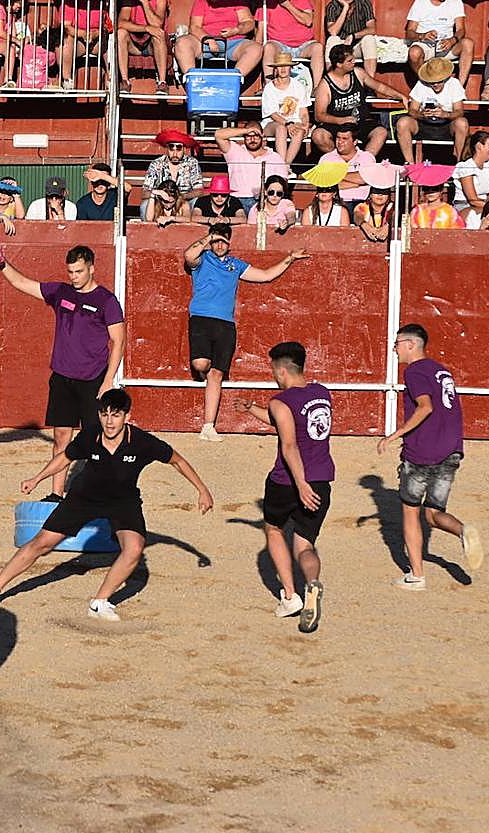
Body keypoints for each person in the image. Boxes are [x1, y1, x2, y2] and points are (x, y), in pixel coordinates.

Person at [0, 388, 214, 622]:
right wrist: (36, 478)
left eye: (116, 415)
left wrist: (202, 490)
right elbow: (65, 458)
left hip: (123, 501)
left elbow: (177, 461)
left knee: (134, 549)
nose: (109, 422)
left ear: (127, 416)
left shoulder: (142, 442)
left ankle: (99, 602)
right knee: (42, 543)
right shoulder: (90, 436)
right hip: (84, 498)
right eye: (104, 415)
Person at [0, 245, 125, 501]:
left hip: (93, 379)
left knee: (95, 439)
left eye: (79, 271)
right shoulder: (61, 292)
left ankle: (98, 492)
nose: (74, 277)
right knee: (61, 437)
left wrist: (108, 380)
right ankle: (57, 494)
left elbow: (119, 341)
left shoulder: (106, 301)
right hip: (62, 378)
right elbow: (20, 282)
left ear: (92, 268)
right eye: (71, 272)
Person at [233, 341, 331, 633]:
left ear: (282, 370)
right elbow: (284, 421)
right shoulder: (321, 394)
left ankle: (290, 596)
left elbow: (289, 445)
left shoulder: (281, 401)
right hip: (321, 480)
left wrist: (300, 484)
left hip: (287, 481)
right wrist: (252, 409)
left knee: (274, 529)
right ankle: (312, 583)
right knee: (305, 545)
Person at [376, 323, 483, 589]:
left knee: (411, 512)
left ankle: (416, 576)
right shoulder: (441, 370)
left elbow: (425, 407)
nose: (394, 349)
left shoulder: (414, 371)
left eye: (397, 344)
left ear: (411, 344)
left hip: (422, 451)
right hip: (451, 450)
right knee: (433, 514)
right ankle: (463, 530)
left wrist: (395, 435)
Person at [183, 223, 309, 441]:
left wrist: (290, 258)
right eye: (216, 241)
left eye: (223, 241)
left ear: (229, 243)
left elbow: (266, 275)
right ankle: (206, 379)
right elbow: (188, 255)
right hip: (201, 318)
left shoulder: (236, 264)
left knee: (217, 374)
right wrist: (209, 237)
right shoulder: (203, 260)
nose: (219, 245)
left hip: (226, 323)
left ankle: (208, 426)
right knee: (201, 364)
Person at [311, 44, 403, 156]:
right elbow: (319, 115)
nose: (354, 62)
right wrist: (341, 120)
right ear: (339, 64)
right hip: (337, 124)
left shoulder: (358, 73)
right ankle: (340, 160)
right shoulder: (325, 85)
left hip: (360, 122)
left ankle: (363, 161)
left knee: (381, 132)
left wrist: (400, 95)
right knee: (318, 136)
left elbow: (379, 87)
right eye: (350, 60)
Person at [395, 57, 469, 165]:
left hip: (447, 124)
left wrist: (445, 114)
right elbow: (412, 110)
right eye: (432, 82)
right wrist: (422, 115)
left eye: (439, 81)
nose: (435, 85)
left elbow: (459, 111)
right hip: (423, 124)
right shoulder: (421, 84)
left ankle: (459, 164)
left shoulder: (454, 83)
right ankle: (410, 164)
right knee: (403, 123)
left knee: (462, 123)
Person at [174, 0, 263, 81]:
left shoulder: (237, 2)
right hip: (204, 43)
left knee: (256, 48)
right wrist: (208, 39)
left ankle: (232, 80)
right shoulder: (201, 2)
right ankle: (192, 80)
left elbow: (248, 22)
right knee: (182, 43)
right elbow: (194, 27)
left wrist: (236, 30)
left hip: (234, 43)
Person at [215, 122, 290, 214]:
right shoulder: (235, 151)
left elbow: (283, 183)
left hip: (264, 201)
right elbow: (218, 135)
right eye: (248, 136)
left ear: (263, 136)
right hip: (237, 200)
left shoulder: (275, 157)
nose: (252, 139)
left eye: (256, 136)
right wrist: (247, 130)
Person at [405, 0, 474, 90]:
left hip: (446, 45)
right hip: (425, 45)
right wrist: (423, 36)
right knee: (414, 52)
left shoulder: (456, 2)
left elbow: (461, 30)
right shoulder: (420, 3)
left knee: (468, 43)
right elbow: (409, 33)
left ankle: (458, 89)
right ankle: (427, 84)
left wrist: (452, 41)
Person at [257, 0, 324, 90]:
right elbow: (261, 29)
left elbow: (308, 20)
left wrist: (287, 5)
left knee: (318, 47)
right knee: (268, 47)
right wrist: (258, 50)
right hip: (279, 46)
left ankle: (317, 88)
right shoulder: (266, 4)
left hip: (303, 45)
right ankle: (269, 87)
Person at [260, 55, 311, 164]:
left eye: (286, 66)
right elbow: (273, 114)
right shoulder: (269, 88)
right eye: (280, 66)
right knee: (281, 128)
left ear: (290, 68)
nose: (283, 69)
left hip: (294, 123)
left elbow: (303, 112)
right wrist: (288, 124)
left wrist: (306, 124)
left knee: (300, 131)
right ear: (275, 69)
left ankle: (286, 165)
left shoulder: (299, 86)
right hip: (272, 123)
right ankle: (282, 164)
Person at [140, 130, 205, 217]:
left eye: (178, 148)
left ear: (184, 149)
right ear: (167, 149)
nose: (175, 153)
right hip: (161, 202)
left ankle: (190, 226)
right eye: (171, 148)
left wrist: (180, 197)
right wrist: (159, 193)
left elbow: (199, 191)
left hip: (184, 200)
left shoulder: (192, 163)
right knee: (145, 205)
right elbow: (144, 193)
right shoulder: (156, 164)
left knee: (196, 203)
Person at [318, 125, 375, 213]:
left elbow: (366, 178)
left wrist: (335, 175)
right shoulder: (326, 158)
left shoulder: (367, 157)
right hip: (334, 203)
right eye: (338, 138)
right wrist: (358, 182)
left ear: (355, 142)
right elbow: (325, 184)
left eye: (344, 139)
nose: (340, 142)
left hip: (361, 203)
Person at [117, 0, 169, 94]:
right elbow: (121, 23)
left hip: (152, 45)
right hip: (134, 44)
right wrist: (146, 28)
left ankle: (162, 82)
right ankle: (125, 82)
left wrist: (145, 3)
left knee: (159, 34)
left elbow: (157, 24)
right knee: (120, 33)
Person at [58, 0, 109, 90]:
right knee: (66, 39)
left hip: (97, 40)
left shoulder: (101, 3)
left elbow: (107, 26)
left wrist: (96, 33)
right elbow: (66, 27)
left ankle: (111, 78)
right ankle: (67, 81)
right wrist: (82, 33)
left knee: (110, 39)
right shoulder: (69, 3)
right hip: (78, 41)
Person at [452, 131, 489, 215]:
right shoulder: (466, 166)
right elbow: (472, 200)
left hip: (484, 205)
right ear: (479, 146)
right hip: (465, 205)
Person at [324, 0, 379, 77]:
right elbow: (333, 31)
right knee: (332, 39)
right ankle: (332, 78)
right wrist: (345, 8)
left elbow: (372, 29)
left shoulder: (364, 3)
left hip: (357, 46)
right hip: (340, 46)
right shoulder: (332, 6)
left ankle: (369, 81)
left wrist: (354, 36)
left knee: (369, 38)